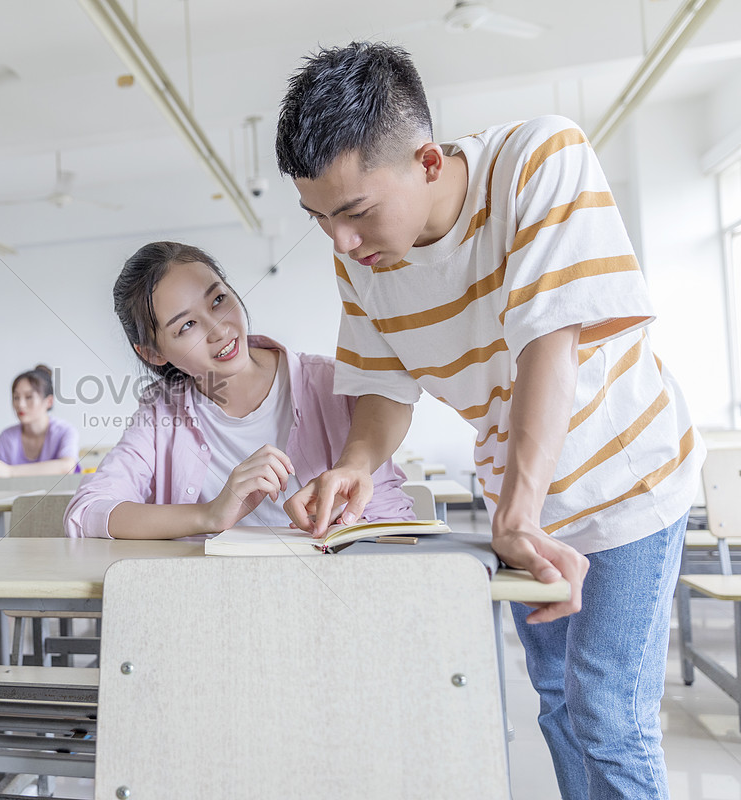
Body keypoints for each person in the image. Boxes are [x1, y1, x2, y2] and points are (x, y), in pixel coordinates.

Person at [274, 42, 703, 800]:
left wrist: (520, 512)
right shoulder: (361, 259)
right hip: (520, 495)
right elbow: (382, 385)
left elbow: (549, 343)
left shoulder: (540, 159)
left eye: (354, 212)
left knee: (606, 710)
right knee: (560, 708)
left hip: (627, 481)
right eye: (319, 218)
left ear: (429, 162)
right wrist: (356, 465)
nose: (339, 240)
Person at [65, 241, 412, 540]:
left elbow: (392, 517)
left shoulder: (334, 384)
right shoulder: (160, 411)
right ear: (153, 353)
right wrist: (210, 515)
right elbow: (87, 513)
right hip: (219, 601)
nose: (218, 329)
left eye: (217, 300)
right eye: (186, 325)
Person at [0, 365, 80, 478]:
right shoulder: (6, 438)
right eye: (16, 397)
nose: (20, 404)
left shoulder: (65, 431)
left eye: (29, 397)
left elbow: (67, 467)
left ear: (49, 401)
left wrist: (10, 472)